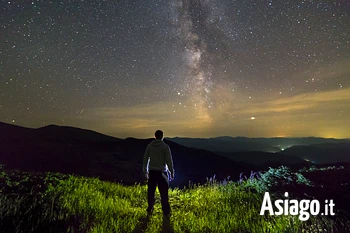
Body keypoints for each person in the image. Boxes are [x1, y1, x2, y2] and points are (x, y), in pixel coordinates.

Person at [143, 130, 175, 217]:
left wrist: (145, 171)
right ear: (162, 136)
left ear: (155, 136)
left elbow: (145, 159)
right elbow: (169, 160)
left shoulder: (149, 146)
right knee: (164, 193)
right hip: (162, 172)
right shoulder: (165, 147)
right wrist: (171, 171)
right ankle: (166, 211)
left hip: (152, 172)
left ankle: (150, 208)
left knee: (151, 191)